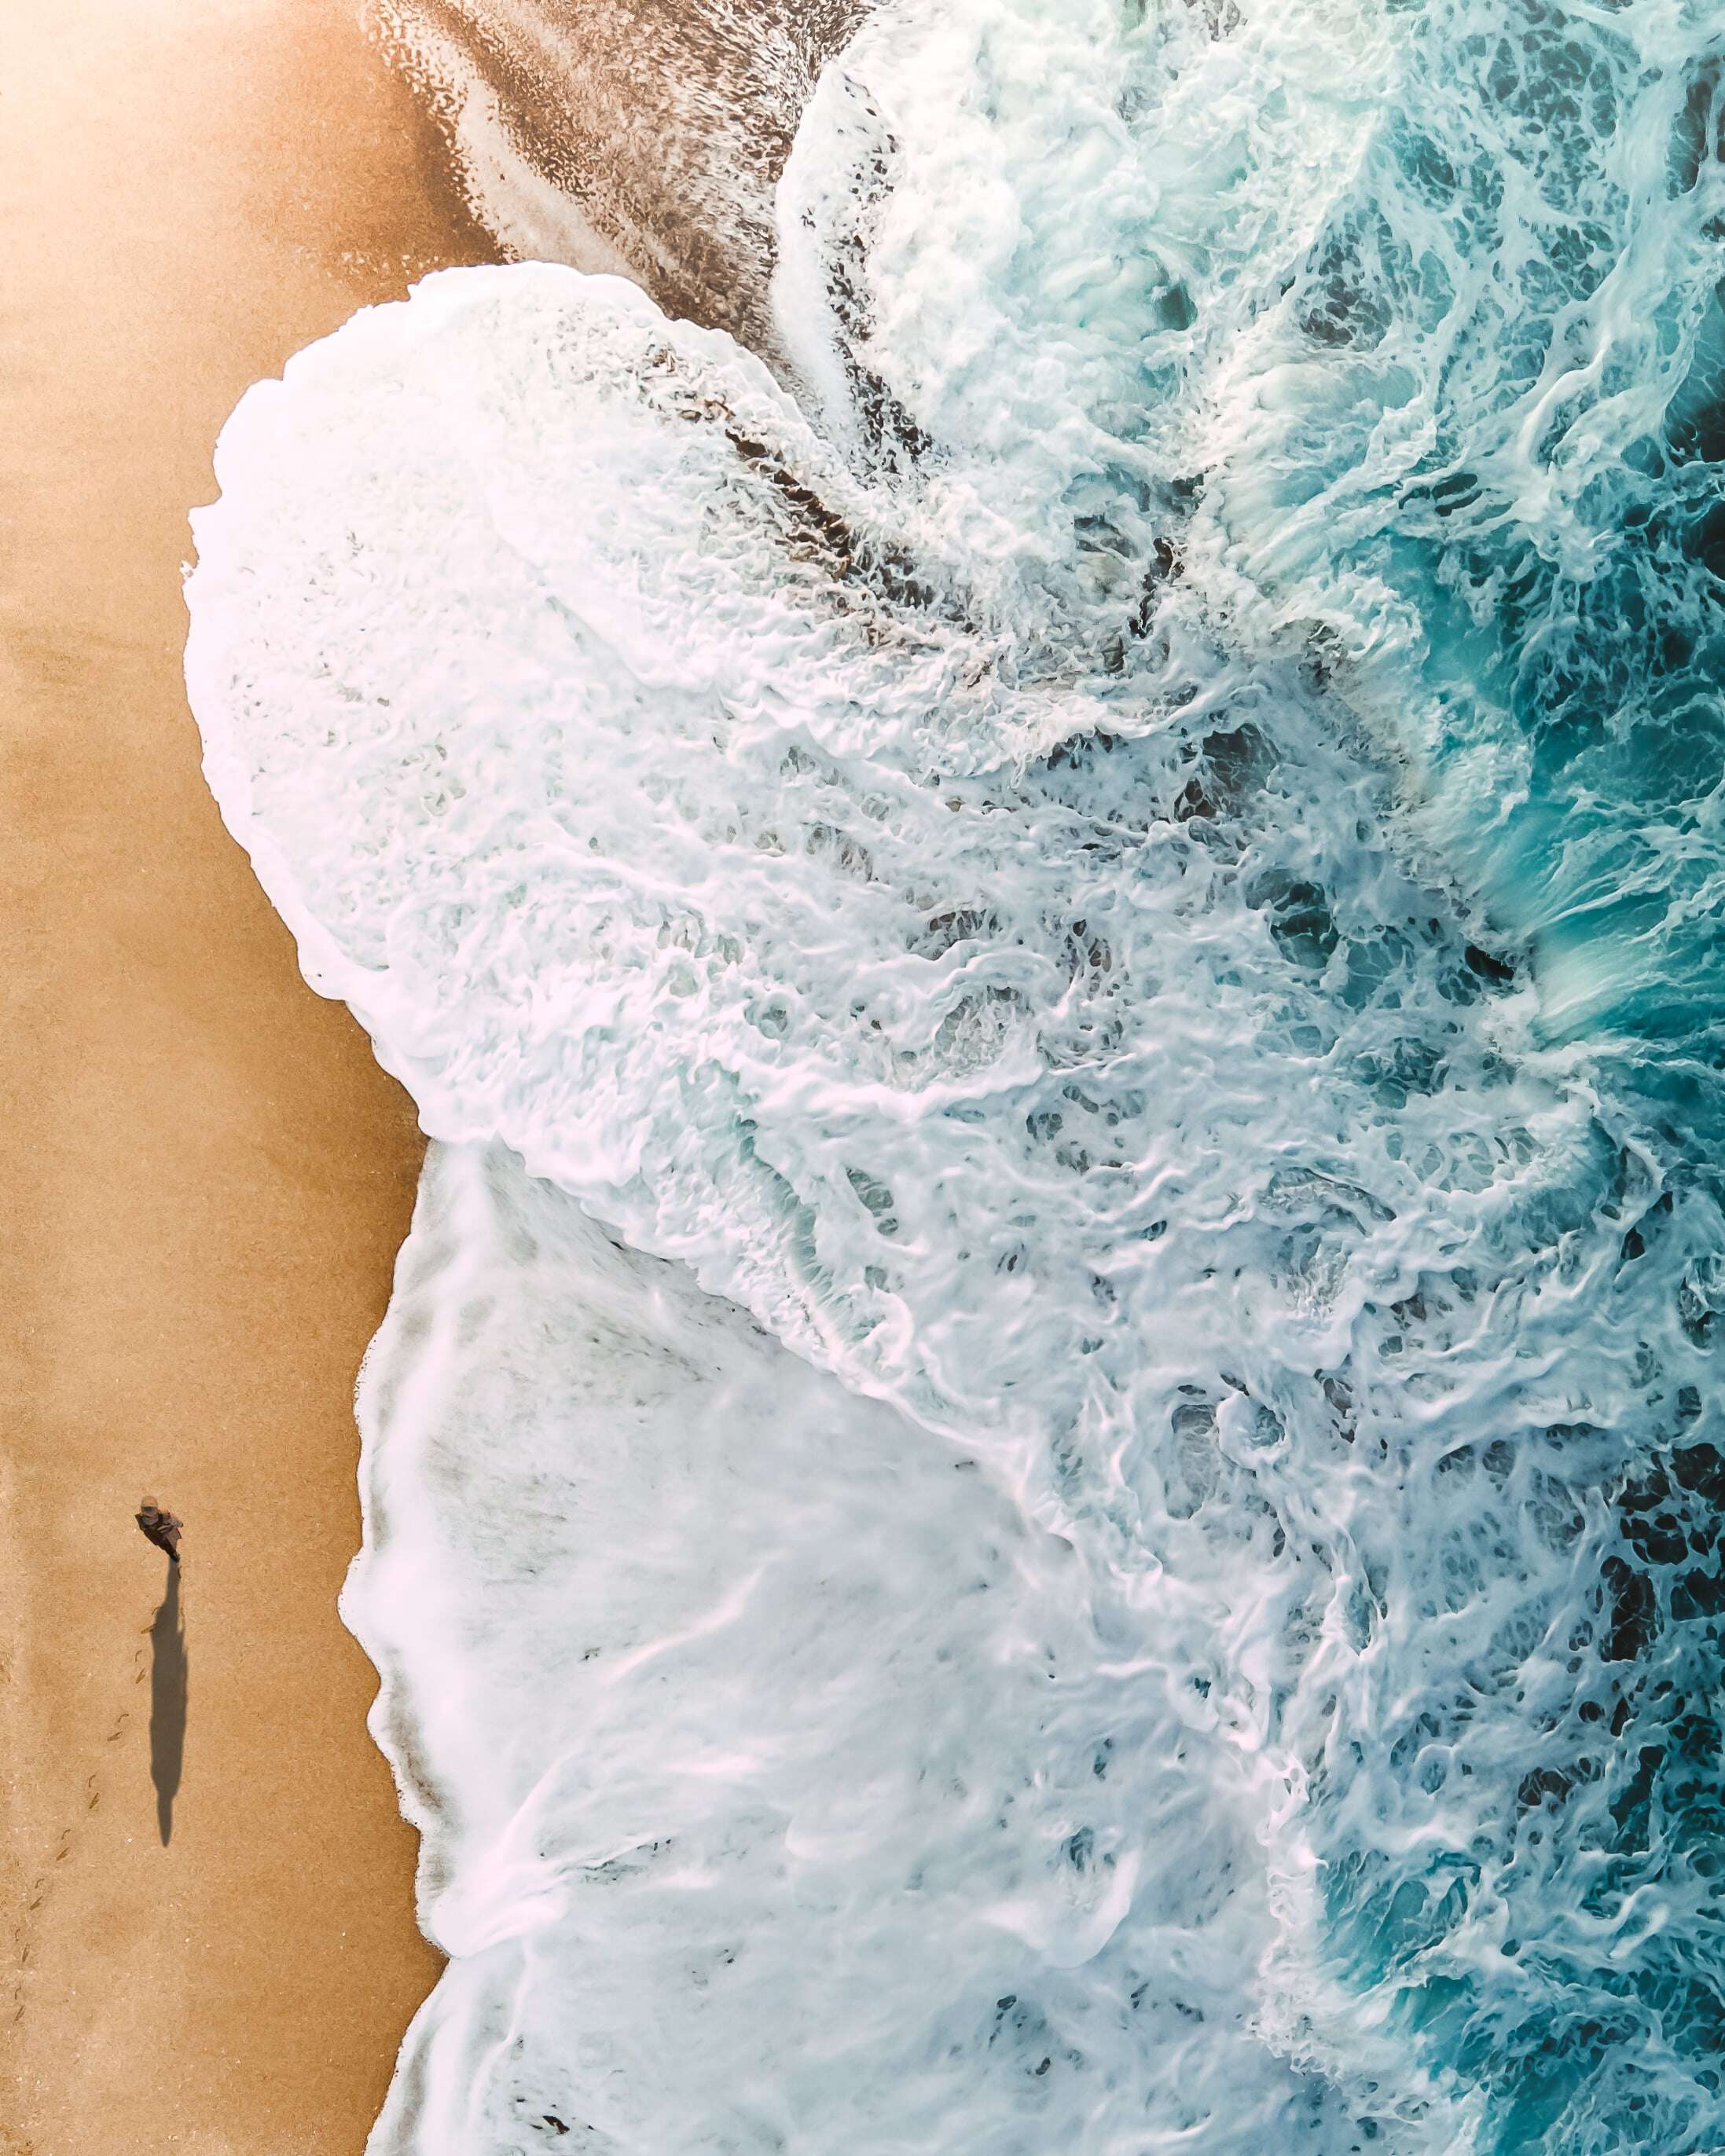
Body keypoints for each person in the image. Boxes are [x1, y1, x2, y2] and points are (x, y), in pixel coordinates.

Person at [136, 1498, 182, 1564]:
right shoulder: (165, 1515)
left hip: (156, 1537)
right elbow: (174, 1521)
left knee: (165, 1546)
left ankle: (173, 1554)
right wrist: (180, 1524)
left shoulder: (140, 1519)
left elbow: (143, 1529)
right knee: (172, 1542)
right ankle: (174, 1552)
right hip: (168, 1533)